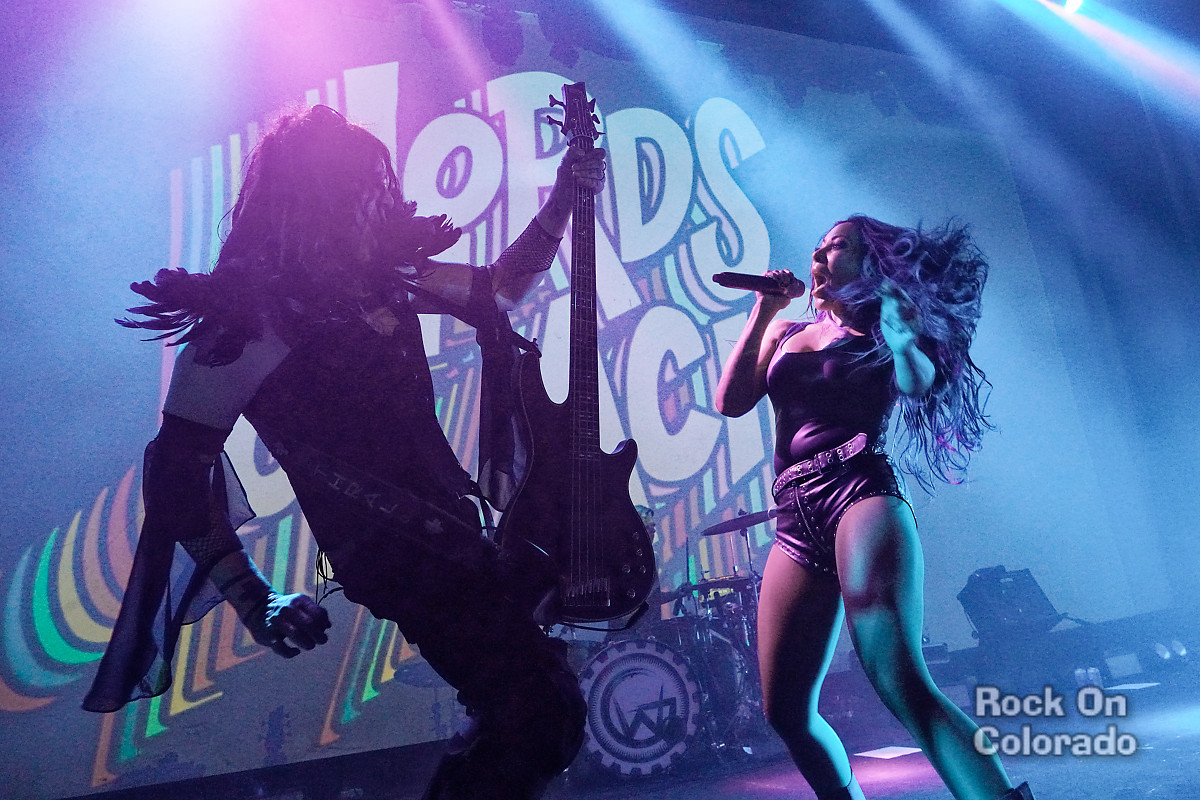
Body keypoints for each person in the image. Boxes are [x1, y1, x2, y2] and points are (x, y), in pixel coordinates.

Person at [83, 103, 608, 800]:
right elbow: (177, 477)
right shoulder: (247, 327)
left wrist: (565, 199)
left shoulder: (385, 281)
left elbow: (502, 288)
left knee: (536, 713)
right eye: (367, 190)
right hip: (393, 556)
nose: (384, 204)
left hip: (457, 538)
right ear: (319, 202)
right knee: (539, 715)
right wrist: (255, 599)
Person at [714, 215, 1034, 800]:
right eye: (817, 248)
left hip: (858, 489)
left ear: (870, 261)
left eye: (836, 247)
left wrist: (905, 342)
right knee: (785, 711)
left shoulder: (883, 326)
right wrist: (763, 309)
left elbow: (917, 382)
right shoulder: (785, 330)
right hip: (794, 515)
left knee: (899, 678)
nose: (820, 257)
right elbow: (731, 401)